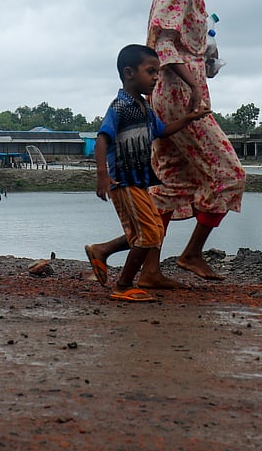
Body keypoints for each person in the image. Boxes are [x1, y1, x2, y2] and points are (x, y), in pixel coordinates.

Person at [145, 0, 246, 282]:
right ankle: (191, 254)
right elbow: (163, 47)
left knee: (174, 182)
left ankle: (149, 270)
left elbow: (177, 44)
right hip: (180, 99)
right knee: (229, 174)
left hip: (173, 94)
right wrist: (195, 88)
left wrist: (205, 64)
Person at [85, 44, 209, 302]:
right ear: (129, 73)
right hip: (125, 182)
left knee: (151, 232)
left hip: (140, 183)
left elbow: (162, 131)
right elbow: (101, 139)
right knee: (149, 234)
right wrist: (102, 174)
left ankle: (101, 251)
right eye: (151, 71)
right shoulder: (120, 107)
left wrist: (190, 118)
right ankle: (123, 286)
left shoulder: (144, 108)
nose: (156, 78)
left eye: (157, 72)